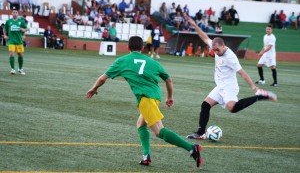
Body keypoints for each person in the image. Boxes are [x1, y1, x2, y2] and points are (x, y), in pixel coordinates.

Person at [86, 36, 202, 167]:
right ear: (142, 48)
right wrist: (170, 96)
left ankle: (192, 148)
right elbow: (168, 80)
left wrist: (93, 88)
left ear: (128, 47)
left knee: (159, 131)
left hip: (145, 99)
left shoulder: (122, 61)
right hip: (155, 97)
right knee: (140, 124)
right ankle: (146, 156)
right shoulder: (153, 62)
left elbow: (102, 78)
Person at [184, 14, 277, 140]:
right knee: (205, 104)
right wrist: (194, 25)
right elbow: (205, 37)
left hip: (229, 86)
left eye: (217, 50)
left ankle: (259, 97)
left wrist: (254, 87)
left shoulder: (231, 57)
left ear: (223, 46)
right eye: (214, 50)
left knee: (232, 108)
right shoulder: (215, 46)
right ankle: (200, 133)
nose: (215, 52)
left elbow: (242, 73)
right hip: (220, 86)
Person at [4, 9, 29, 75]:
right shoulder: (8, 21)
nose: (15, 13)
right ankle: (12, 69)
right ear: (12, 14)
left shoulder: (21, 21)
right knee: (12, 54)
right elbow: (5, 29)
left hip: (19, 41)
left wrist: (24, 31)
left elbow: (26, 29)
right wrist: (5, 35)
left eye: (16, 12)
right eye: (13, 12)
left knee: (20, 55)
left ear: (18, 14)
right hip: (11, 40)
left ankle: (20, 69)